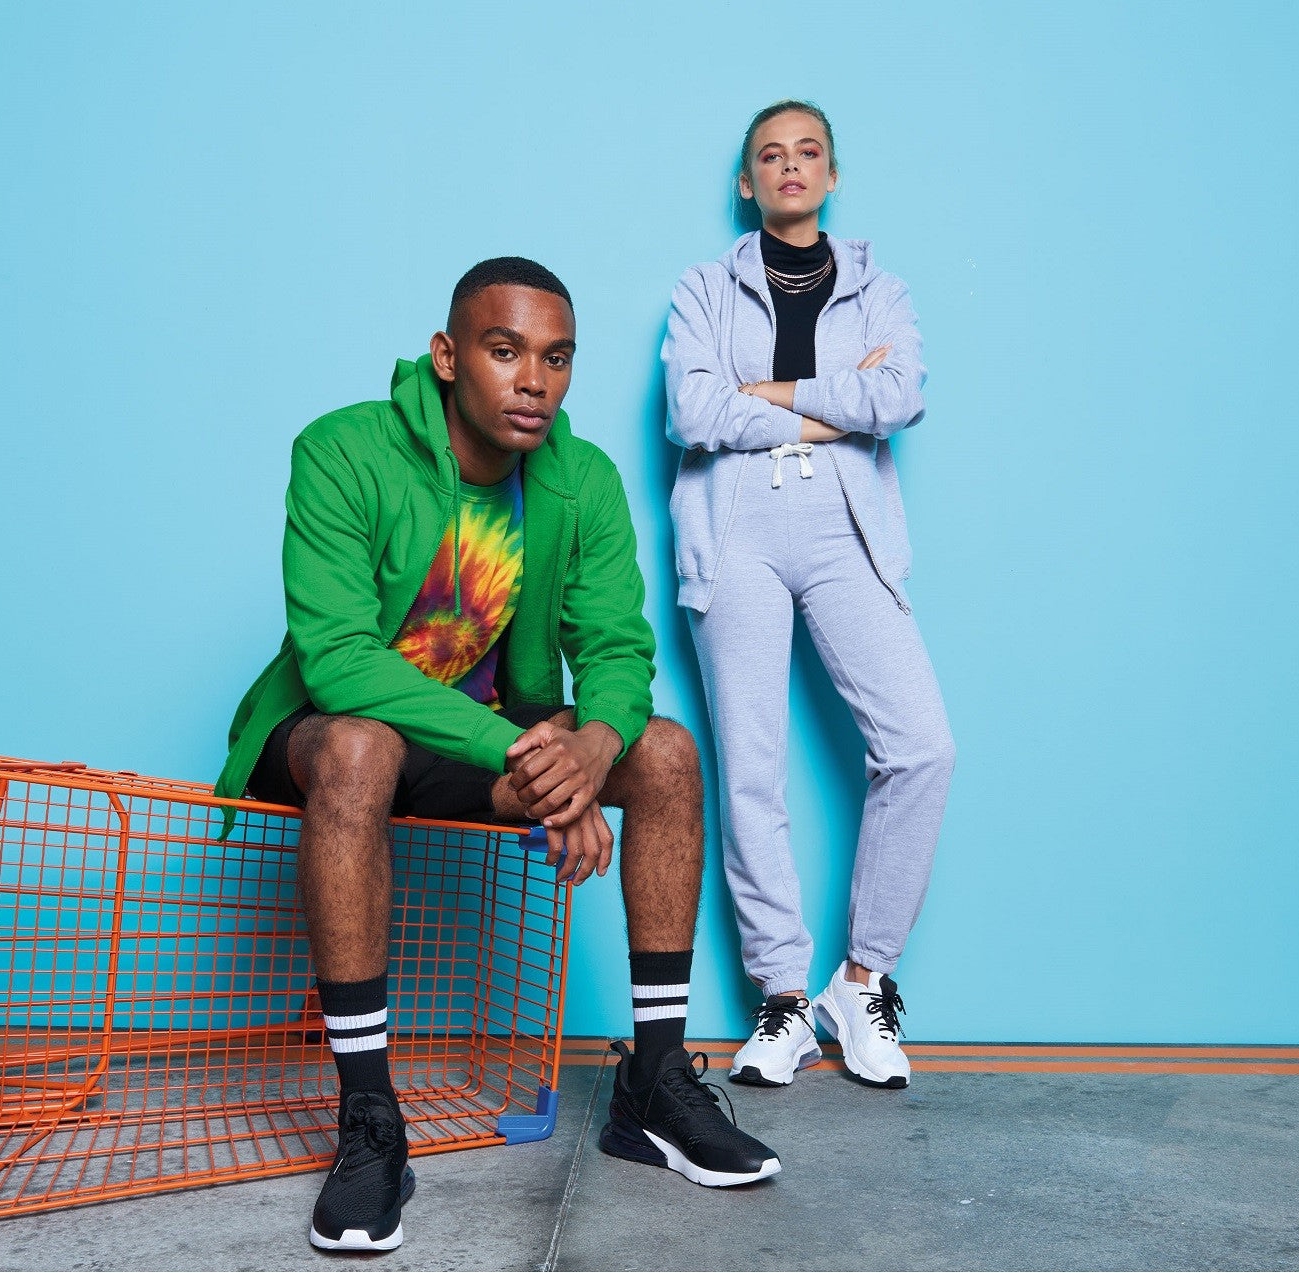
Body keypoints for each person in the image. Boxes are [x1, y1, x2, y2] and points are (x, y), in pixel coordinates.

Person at [214, 258, 780, 1253]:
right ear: (447, 357)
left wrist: (591, 745)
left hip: (485, 738)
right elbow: (337, 659)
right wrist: (529, 751)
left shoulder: (581, 477)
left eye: (556, 359)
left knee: (665, 751)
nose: (534, 381)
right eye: (505, 350)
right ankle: (370, 1119)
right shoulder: (343, 449)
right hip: (338, 735)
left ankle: (653, 1083)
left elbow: (615, 649)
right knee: (359, 746)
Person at [662, 102, 955, 1092]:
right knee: (752, 766)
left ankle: (861, 982)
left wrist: (771, 391)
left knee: (921, 746)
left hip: (845, 527)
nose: (790, 167)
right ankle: (782, 997)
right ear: (746, 183)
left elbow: (900, 396)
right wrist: (835, 400)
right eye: (770, 155)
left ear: (832, 176)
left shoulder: (882, 290)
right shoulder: (704, 289)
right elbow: (691, 410)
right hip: (735, 526)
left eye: (809, 152)